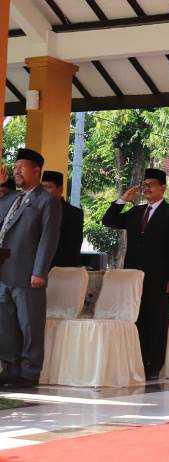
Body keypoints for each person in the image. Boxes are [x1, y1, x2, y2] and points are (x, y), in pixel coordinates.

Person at [102, 168, 169, 381]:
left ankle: (154, 364)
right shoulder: (136, 212)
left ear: (163, 188)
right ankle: (136, 360)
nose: (146, 188)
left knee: (156, 320)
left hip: (159, 277)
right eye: (144, 184)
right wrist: (122, 199)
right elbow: (109, 221)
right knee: (137, 319)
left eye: (151, 184)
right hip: (133, 277)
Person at [0, 148, 61, 388]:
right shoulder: (12, 199)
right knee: (5, 325)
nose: (16, 171)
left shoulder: (47, 201)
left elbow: (48, 238)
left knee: (29, 325)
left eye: (21, 168)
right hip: (4, 272)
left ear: (37, 171)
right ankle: (10, 368)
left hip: (27, 274)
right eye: (14, 168)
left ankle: (29, 372)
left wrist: (40, 271)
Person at [41, 171, 84, 268]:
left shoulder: (73, 213)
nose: (44, 191)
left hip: (60, 270)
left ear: (60, 190)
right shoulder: (36, 210)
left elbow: (73, 247)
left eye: (48, 187)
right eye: (42, 187)